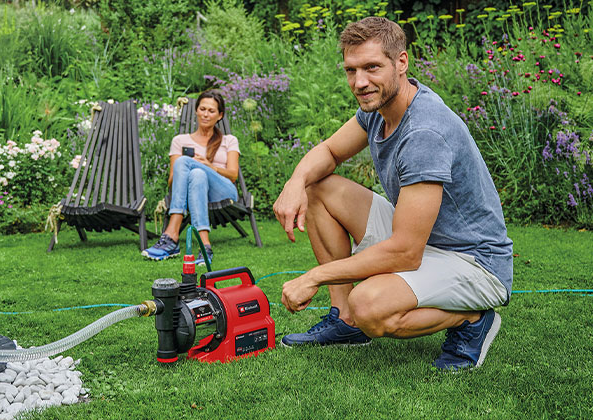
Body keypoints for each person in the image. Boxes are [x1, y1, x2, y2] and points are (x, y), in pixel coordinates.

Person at [273, 17, 513, 371]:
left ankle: (472, 320)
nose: (360, 82)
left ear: (401, 63)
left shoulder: (424, 133)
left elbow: (405, 252)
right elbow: (330, 152)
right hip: (425, 240)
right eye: (351, 70)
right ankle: (345, 321)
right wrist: (295, 182)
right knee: (318, 186)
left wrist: (313, 277)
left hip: (474, 262)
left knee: (368, 305)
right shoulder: (378, 109)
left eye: (372, 67)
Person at [142, 90, 241, 265]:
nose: (206, 114)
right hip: (195, 192)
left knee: (187, 163)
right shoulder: (180, 140)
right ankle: (205, 246)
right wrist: (194, 169)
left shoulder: (229, 140)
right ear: (196, 111)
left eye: (211, 111)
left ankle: (172, 234)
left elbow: (233, 175)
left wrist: (209, 166)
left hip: (224, 191)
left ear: (220, 116)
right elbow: (172, 181)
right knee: (196, 174)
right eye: (202, 109)